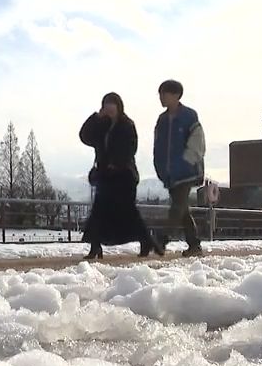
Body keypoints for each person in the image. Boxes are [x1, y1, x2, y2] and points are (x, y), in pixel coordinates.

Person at [80, 92, 163, 260]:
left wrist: (116, 163)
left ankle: (146, 240)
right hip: (105, 175)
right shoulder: (101, 125)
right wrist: (96, 117)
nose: (109, 108)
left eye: (112, 105)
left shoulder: (126, 125)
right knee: (98, 211)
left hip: (124, 176)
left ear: (119, 106)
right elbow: (85, 136)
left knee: (128, 212)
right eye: (106, 105)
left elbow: (131, 148)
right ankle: (95, 246)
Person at [153, 79, 206, 257]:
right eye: (160, 94)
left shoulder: (189, 116)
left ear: (176, 95)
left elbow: (197, 143)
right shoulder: (162, 120)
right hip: (169, 173)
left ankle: (162, 239)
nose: (161, 98)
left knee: (177, 207)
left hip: (186, 172)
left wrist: (187, 161)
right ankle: (194, 244)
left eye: (164, 94)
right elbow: (158, 145)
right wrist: (160, 167)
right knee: (182, 210)